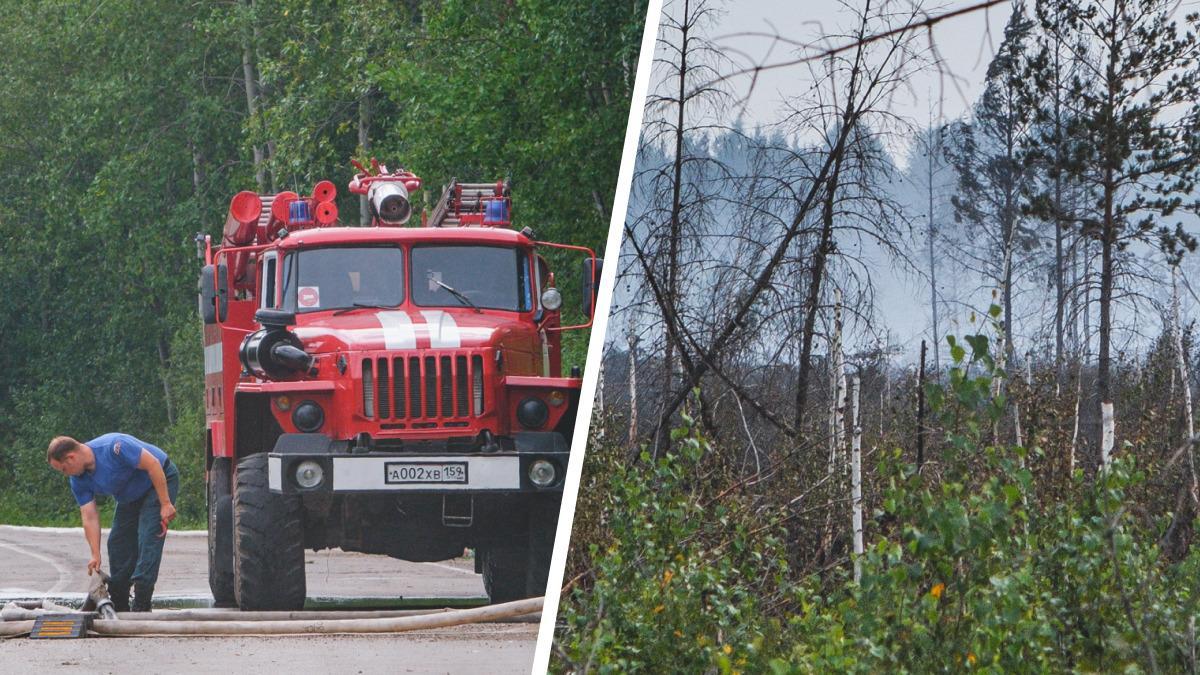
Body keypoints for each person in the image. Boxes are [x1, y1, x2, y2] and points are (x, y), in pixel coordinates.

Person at [47, 434, 179, 613]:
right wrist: (95, 554)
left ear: (71, 458)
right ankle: (120, 602)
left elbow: (153, 464)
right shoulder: (78, 479)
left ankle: (142, 603)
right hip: (128, 495)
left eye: (63, 469)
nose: (65, 474)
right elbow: (89, 516)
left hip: (158, 481)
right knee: (117, 543)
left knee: (148, 537)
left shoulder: (115, 447)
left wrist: (165, 503)